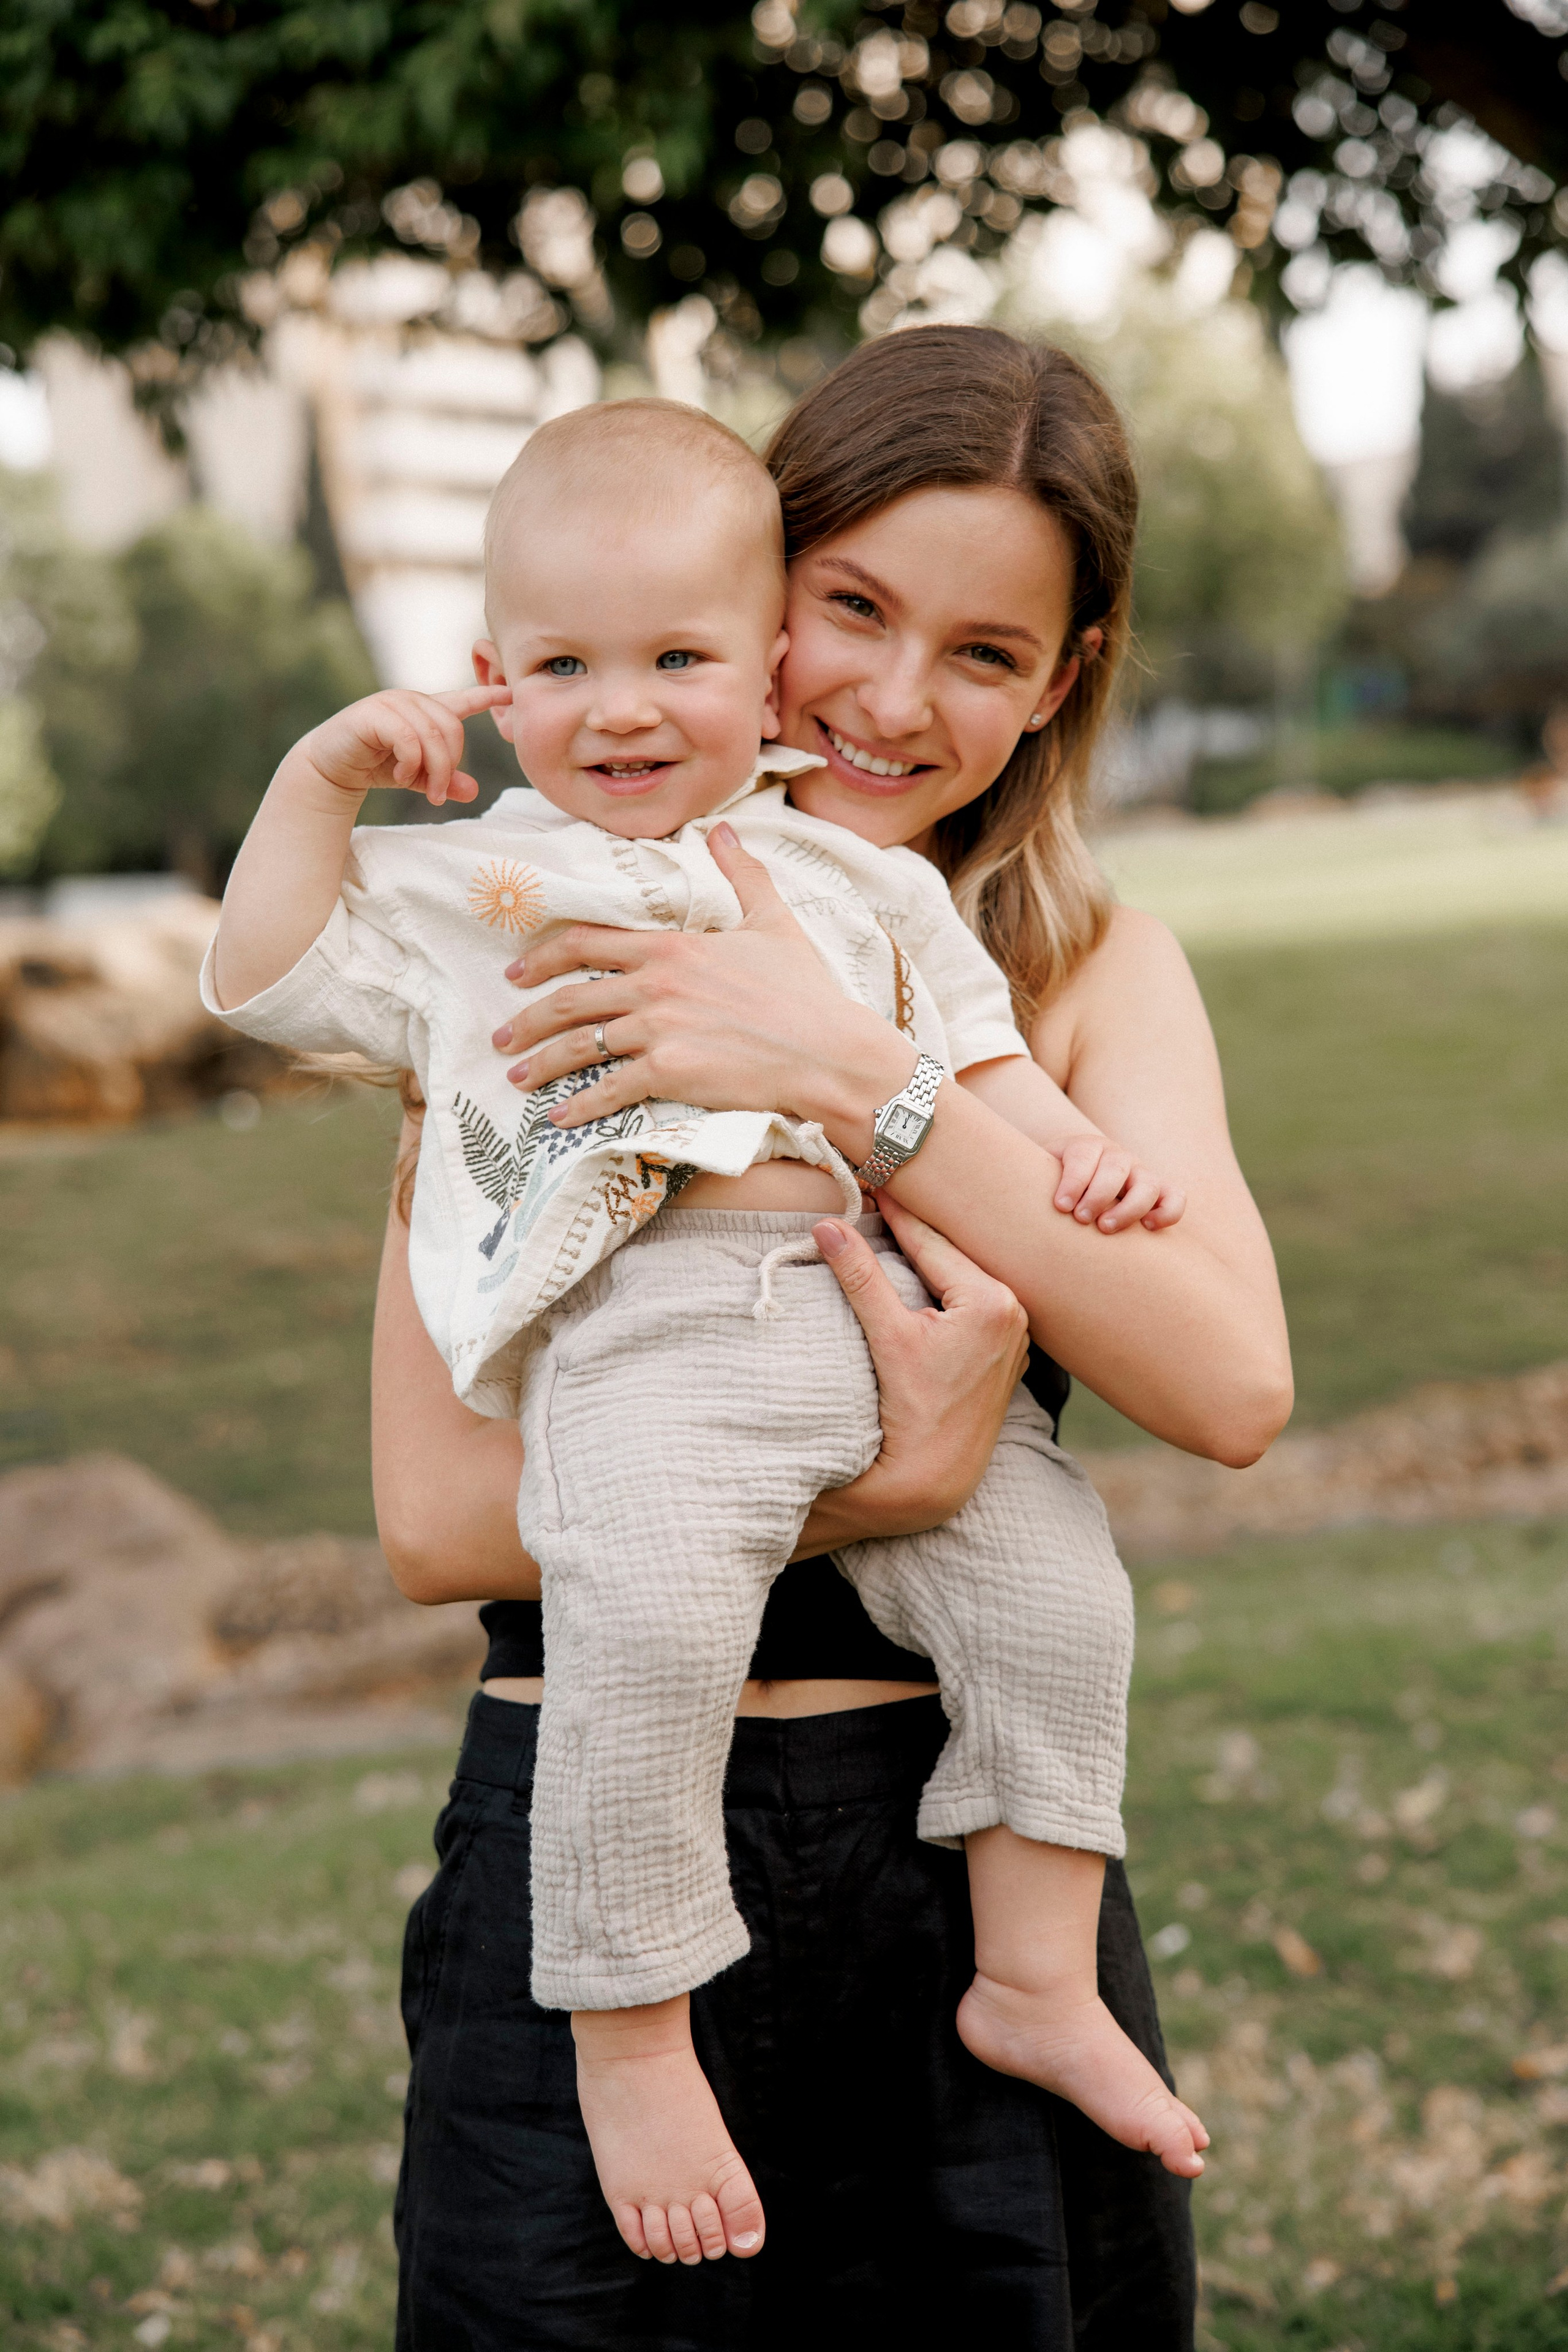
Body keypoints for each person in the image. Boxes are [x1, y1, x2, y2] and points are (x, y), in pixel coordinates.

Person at [205, 392, 1207, 2260]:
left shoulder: (861, 878)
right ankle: (632, 2027)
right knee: (653, 1608)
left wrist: (1080, 1161)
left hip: (854, 1318)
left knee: (1064, 1596)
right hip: (659, 1353)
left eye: (677, 660)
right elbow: (271, 977)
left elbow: (979, 1058)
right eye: (566, 667)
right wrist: (318, 784)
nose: (626, 708)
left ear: (761, 678)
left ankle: (1040, 1977)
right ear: (495, 679)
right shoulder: (487, 889)